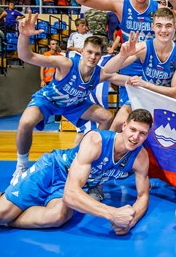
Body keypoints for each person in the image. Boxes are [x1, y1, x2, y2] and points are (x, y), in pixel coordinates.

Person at [0, 110, 153, 236]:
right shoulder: (96, 141)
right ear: (124, 127)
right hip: (53, 169)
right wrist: (112, 214)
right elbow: (72, 195)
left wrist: (131, 220)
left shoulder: (140, 157)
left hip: (69, 185)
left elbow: (143, 196)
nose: (135, 137)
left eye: (142, 134)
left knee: (58, 217)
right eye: (133, 130)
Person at [74, 0, 176, 130]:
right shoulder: (120, 5)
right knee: (126, 120)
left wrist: (173, 51)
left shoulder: (159, 9)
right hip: (130, 68)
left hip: (157, 68)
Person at [11, 12, 127, 184]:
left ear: (101, 56)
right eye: (89, 52)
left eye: (97, 54)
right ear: (82, 51)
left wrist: (141, 83)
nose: (92, 57)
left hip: (74, 104)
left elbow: (122, 80)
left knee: (106, 117)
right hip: (49, 101)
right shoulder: (65, 64)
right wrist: (24, 36)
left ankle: (89, 156)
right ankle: (21, 165)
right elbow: (27, 56)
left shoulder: (99, 73)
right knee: (26, 123)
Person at [102, 7, 176, 132]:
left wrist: (146, 84)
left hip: (167, 100)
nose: (163, 30)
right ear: (152, 27)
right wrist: (122, 55)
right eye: (159, 26)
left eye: (168, 26)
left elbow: (174, 92)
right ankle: (108, 150)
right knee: (118, 123)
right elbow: (107, 70)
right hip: (145, 96)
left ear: (174, 27)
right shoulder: (144, 48)